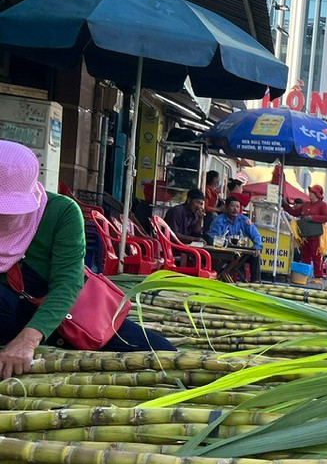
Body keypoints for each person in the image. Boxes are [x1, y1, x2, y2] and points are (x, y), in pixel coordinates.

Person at [0, 142, 173, 377]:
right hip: (7, 317)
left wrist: (28, 339)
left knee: (165, 355)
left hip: (68, 314)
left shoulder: (60, 211)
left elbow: (67, 283)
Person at [207, 197, 262, 282]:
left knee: (255, 255)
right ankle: (222, 276)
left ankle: (256, 281)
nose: (235, 209)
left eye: (237, 207)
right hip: (223, 253)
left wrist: (257, 246)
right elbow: (213, 237)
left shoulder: (244, 220)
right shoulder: (219, 221)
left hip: (239, 254)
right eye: (232, 206)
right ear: (226, 207)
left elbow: (256, 235)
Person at [285, 185, 327, 279]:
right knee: (305, 256)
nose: (309, 194)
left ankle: (318, 277)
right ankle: (304, 277)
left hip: (316, 235)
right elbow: (295, 212)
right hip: (305, 235)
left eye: (312, 192)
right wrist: (285, 205)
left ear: (317, 195)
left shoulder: (323, 205)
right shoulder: (306, 204)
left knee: (317, 257)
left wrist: (313, 218)